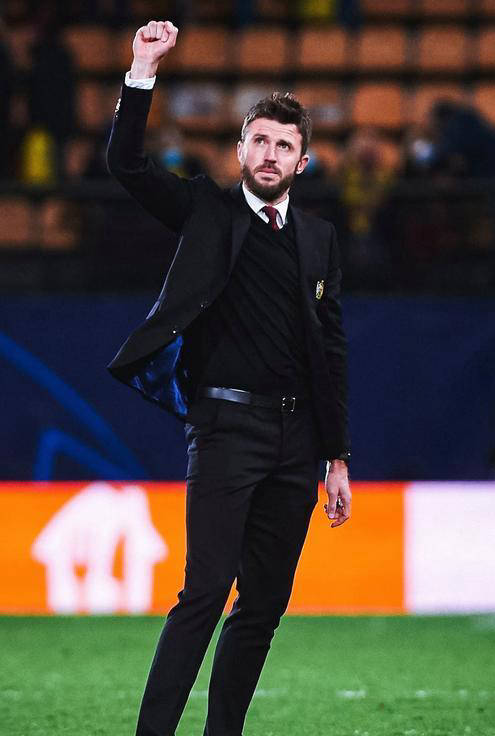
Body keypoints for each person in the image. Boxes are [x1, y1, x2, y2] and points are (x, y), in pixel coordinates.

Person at [106, 20, 352, 736]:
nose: (270, 154)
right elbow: (127, 165)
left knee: (265, 603)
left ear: (303, 160)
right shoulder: (206, 211)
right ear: (240, 149)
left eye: (284, 145)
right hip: (224, 429)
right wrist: (142, 70)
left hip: (297, 441)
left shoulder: (320, 240)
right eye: (260, 141)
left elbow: (331, 352)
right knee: (206, 591)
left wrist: (336, 456)